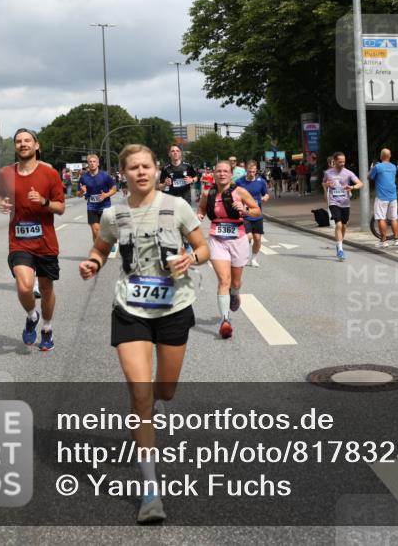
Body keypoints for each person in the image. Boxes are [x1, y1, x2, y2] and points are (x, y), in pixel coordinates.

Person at [80, 144, 210, 523]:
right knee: (140, 394)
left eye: (146, 166)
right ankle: (150, 491)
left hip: (174, 307)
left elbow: (202, 247)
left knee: (164, 391)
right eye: (133, 167)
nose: (141, 172)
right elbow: (101, 248)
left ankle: (149, 408)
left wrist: (191, 257)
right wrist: (92, 262)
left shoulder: (177, 207)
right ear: (123, 173)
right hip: (130, 309)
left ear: (156, 170)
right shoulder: (113, 214)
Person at [0, 129, 66, 351]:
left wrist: (44, 201)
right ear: (15, 146)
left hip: (45, 242)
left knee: (46, 290)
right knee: (25, 286)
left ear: (37, 145)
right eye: (18, 141)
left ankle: (46, 327)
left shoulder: (50, 174)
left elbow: (61, 208)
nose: (23, 144)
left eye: (27, 140)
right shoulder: (6, 173)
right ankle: (31, 315)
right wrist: (2, 202)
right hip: (19, 241)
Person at [198, 161, 260, 338]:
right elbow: (201, 208)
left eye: (226, 171)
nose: (222, 174)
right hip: (217, 239)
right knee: (224, 280)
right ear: (214, 174)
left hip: (238, 239)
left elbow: (257, 211)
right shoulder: (208, 193)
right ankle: (225, 320)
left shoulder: (239, 192)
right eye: (219, 171)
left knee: (235, 283)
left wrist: (245, 209)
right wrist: (200, 216)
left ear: (231, 174)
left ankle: (235, 293)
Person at [322, 152, 363, 260]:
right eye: (340, 162)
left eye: (344, 161)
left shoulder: (348, 173)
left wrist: (352, 187)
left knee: (344, 226)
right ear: (334, 161)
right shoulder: (328, 173)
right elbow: (324, 183)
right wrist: (327, 185)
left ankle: (338, 243)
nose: (342, 163)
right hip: (334, 202)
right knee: (339, 225)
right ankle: (340, 249)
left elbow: (360, 183)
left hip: (345, 203)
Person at [236, 158, 270, 267]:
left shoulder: (261, 182)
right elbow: (234, 195)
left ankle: (254, 259)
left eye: (254, 171)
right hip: (244, 214)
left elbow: (266, 194)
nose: (251, 173)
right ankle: (243, 254)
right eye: (249, 171)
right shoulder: (239, 182)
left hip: (257, 214)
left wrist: (265, 197)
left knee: (257, 238)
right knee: (248, 237)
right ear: (246, 170)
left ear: (256, 171)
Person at [79, 153, 117, 243]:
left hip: (105, 206)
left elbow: (114, 189)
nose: (92, 163)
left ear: (98, 163)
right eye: (90, 162)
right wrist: (81, 191)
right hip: (91, 207)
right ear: (87, 164)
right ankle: (99, 251)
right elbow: (79, 194)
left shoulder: (105, 176)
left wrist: (106, 195)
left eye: (94, 161)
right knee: (96, 231)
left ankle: (107, 242)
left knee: (103, 231)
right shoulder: (83, 178)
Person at [369, 148, 398, 248]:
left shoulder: (377, 167)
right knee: (394, 218)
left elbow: (369, 177)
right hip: (393, 196)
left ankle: (383, 241)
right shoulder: (394, 167)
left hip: (382, 197)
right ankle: (396, 240)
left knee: (381, 218)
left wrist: (371, 168)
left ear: (381, 156)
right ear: (389, 156)